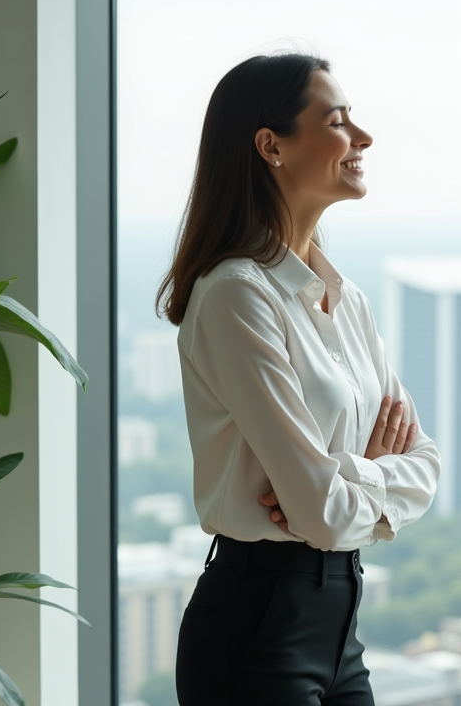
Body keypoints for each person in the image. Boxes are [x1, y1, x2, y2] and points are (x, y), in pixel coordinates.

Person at [158, 53, 441, 705]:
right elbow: (316, 510)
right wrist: (353, 483)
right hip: (254, 631)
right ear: (271, 146)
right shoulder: (237, 295)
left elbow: (425, 465)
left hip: (341, 631)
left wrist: (349, 475)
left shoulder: (348, 300)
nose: (362, 139)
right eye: (338, 121)